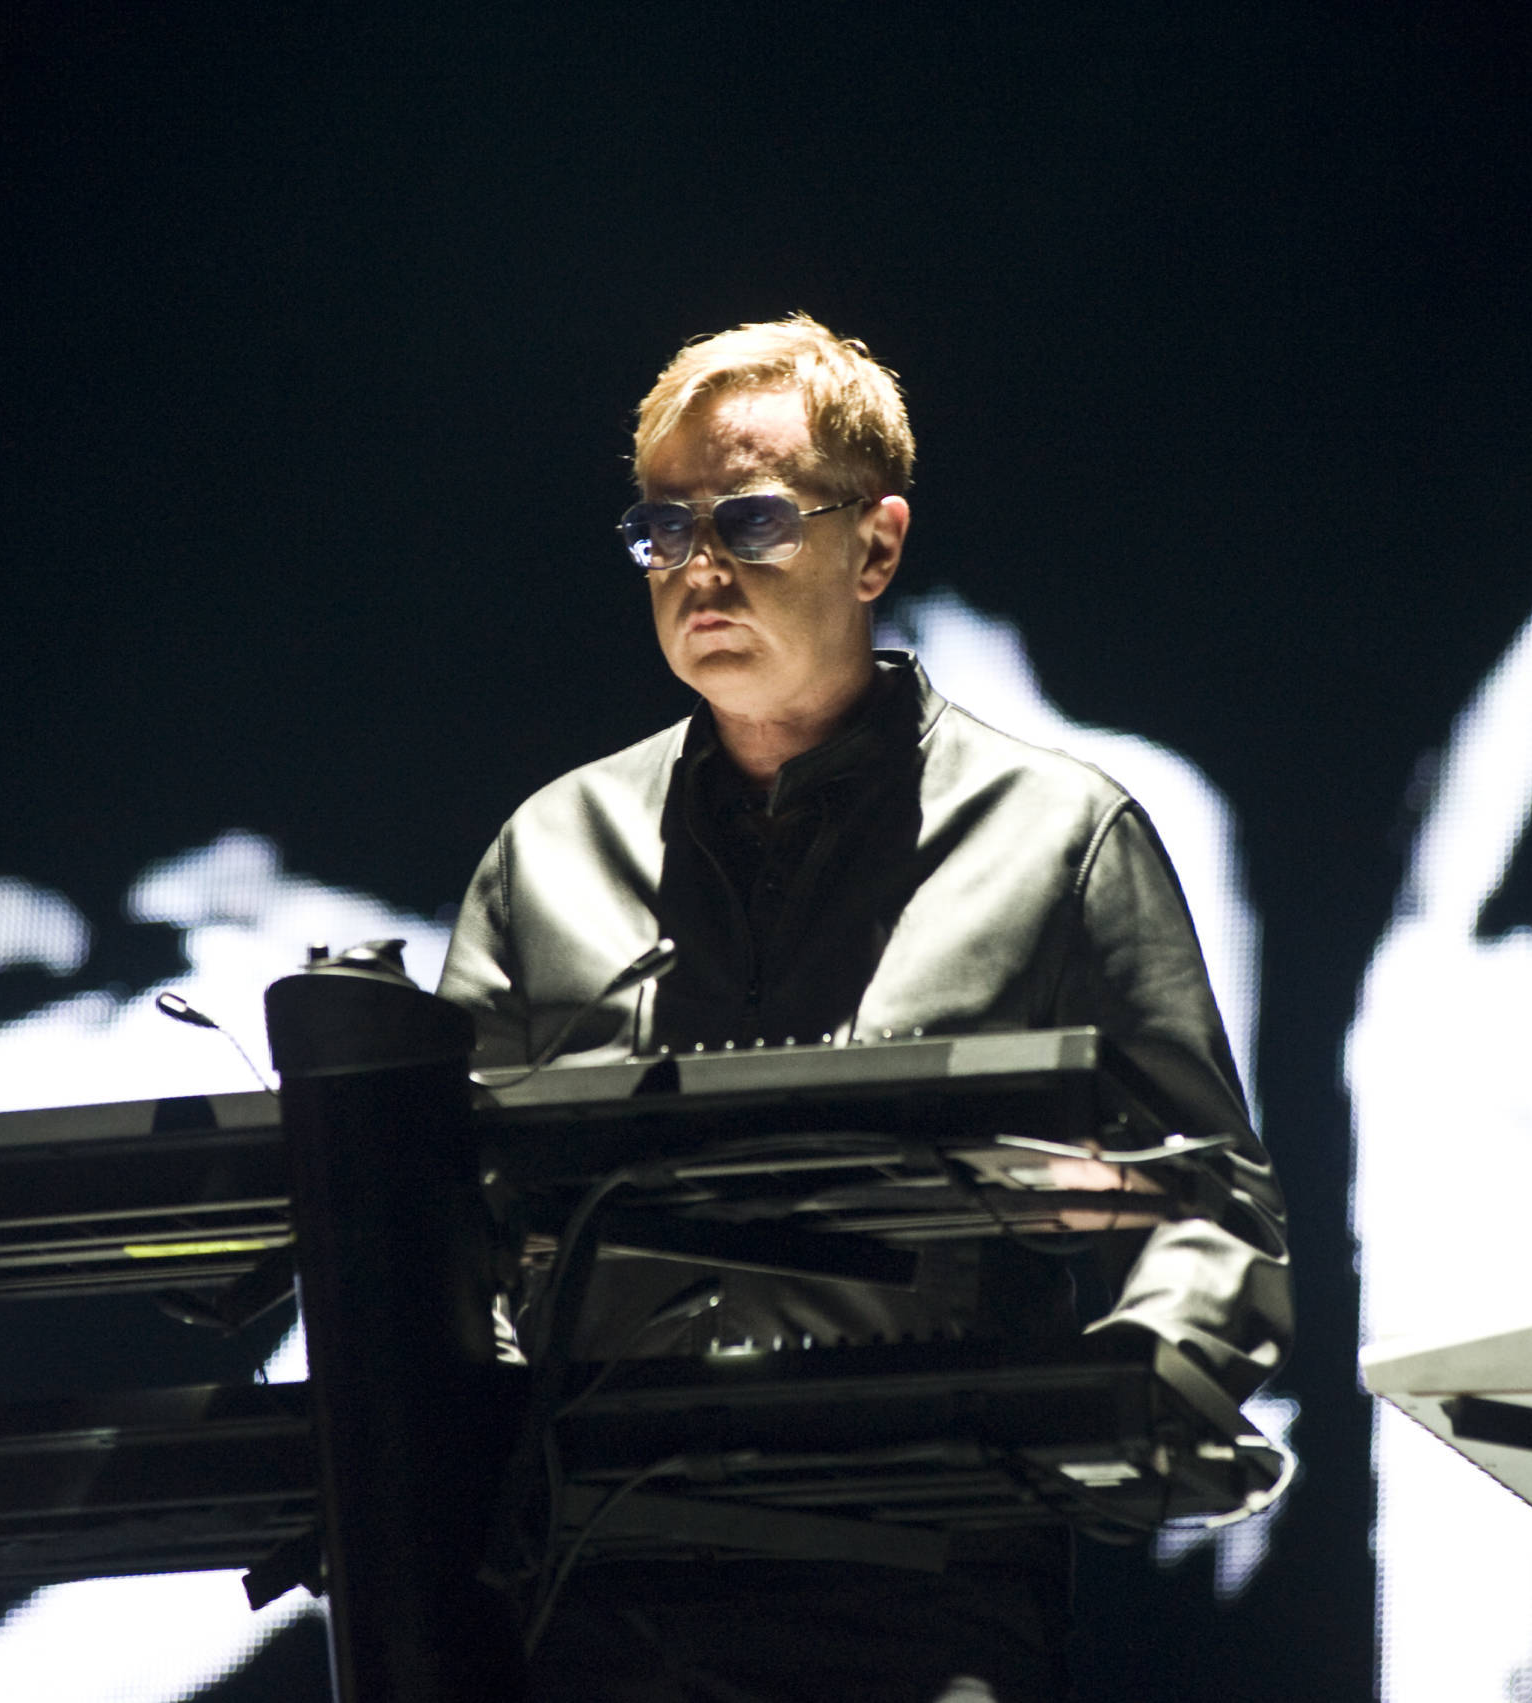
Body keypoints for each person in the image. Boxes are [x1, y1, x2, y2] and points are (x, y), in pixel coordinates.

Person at [436, 315, 1292, 1703]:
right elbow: (449, 1225)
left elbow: (1209, 1209)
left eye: (753, 519)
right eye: (664, 528)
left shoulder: (1057, 835)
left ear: (876, 548)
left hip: (925, 1594)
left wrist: (1106, 1414)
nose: (700, 567)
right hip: (601, 1603)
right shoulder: (548, 850)